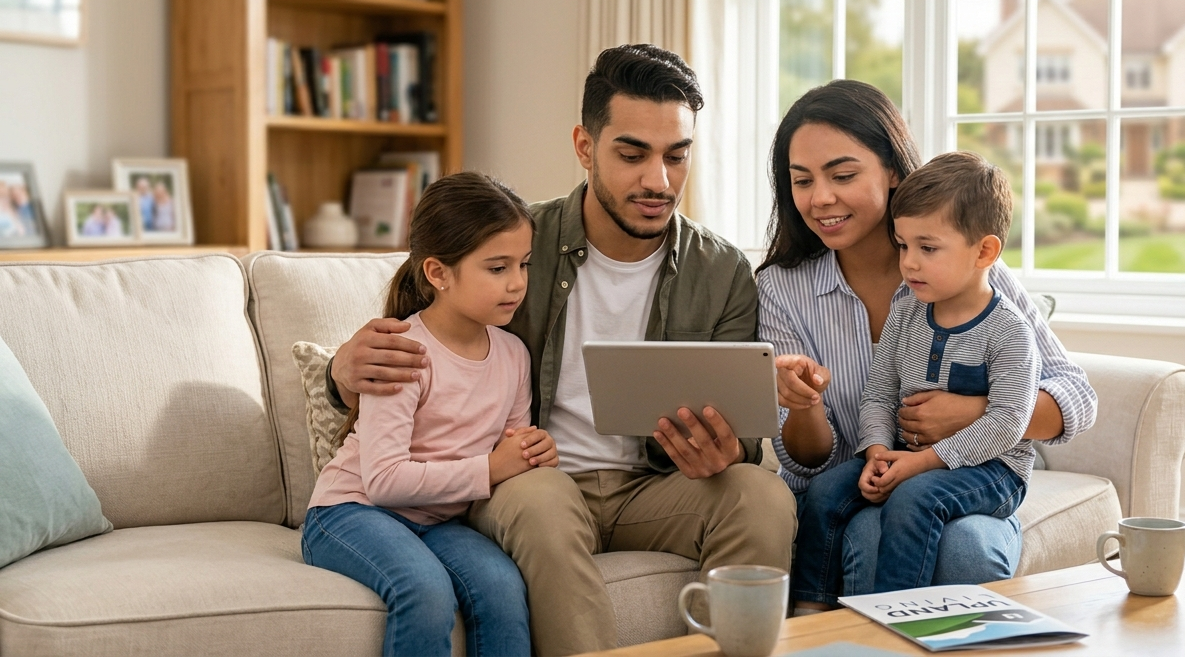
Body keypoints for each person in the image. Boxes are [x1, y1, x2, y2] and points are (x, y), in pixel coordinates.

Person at [324, 44, 796, 656]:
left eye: (676, 156)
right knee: (544, 502)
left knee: (762, 495)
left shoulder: (723, 269)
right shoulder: (518, 242)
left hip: (656, 486)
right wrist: (342, 372)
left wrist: (732, 446)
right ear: (584, 146)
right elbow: (424, 332)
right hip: (536, 482)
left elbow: (746, 426)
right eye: (632, 154)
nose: (658, 181)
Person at [757, 80, 1097, 607]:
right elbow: (804, 463)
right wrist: (804, 404)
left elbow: (1075, 394)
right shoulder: (782, 287)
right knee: (868, 537)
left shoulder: (967, 267)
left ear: (892, 169)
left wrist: (971, 413)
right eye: (802, 181)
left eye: (843, 175)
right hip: (857, 482)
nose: (820, 197)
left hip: (965, 478)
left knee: (969, 546)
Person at [302, 172, 546, 657]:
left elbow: (512, 453)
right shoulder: (403, 352)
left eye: (524, 264)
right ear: (438, 273)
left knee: (502, 588)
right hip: (350, 511)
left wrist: (534, 451)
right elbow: (385, 481)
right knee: (427, 591)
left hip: (439, 521)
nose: (517, 283)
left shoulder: (514, 354)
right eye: (497, 268)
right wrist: (491, 468)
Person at [794, 151, 1039, 602]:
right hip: (906, 454)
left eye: (927, 249)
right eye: (903, 245)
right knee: (826, 489)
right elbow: (879, 394)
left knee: (914, 498)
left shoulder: (1010, 332)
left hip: (995, 471)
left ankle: (894, 619)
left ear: (984, 251)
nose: (908, 263)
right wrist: (877, 451)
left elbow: (1008, 424)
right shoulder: (906, 311)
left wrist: (920, 463)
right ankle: (811, 612)